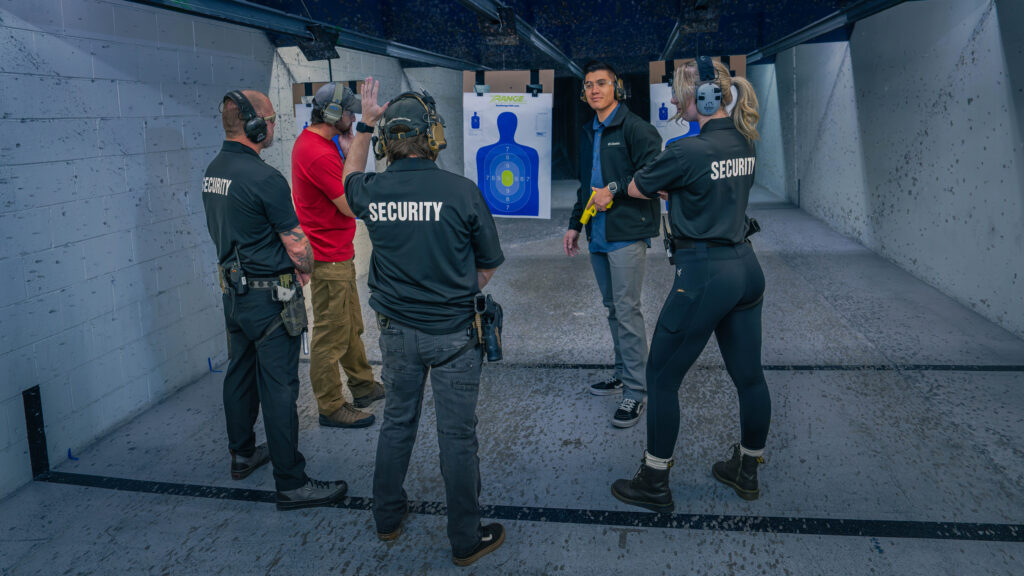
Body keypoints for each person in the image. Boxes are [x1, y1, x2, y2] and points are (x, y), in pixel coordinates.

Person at [342, 79, 507, 567]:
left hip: (396, 335)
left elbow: (349, 177)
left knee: (397, 424)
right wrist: (453, 288)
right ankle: (464, 540)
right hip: (456, 335)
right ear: (432, 136)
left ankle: (387, 519)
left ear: (389, 142)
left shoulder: (373, 190)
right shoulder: (461, 191)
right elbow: (488, 265)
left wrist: (365, 122)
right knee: (457, 437)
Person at [610, 57, 770, 511]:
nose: (677, 103)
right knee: (750, 378)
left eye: (682, 93)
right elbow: (711, 188)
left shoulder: (685, 150)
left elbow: (640, 186)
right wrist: (679, 189)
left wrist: (648, 186)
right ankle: (747, 469)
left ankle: (654, 481)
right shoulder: (745, 142)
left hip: (704, 274)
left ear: (702, 97)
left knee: (660, 378)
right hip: (746, 269)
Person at [202, 89, 347, 511]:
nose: (272, 123)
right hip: (270, 300)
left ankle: (242, 454)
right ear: (252, 124)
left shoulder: (214, 170)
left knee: (240, 374)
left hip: (234, 296)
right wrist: (306, 266)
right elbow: (298, 247)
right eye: (269, 117)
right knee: (280, 388)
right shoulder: (265, 178)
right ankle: (292, 482)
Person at [563, 61, 662, 428]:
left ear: (616, 87)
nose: (594, 90)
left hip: (626, 232)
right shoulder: (590, 130)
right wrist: (575, 225)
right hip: (597, 234)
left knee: (627, 309)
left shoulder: (636, 128)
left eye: (601, 83)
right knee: (612, 308)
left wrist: (615, 191)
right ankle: (623, 373)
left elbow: (654, 174)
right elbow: (586, 185)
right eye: (588, 85)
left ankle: (635, 393)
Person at [291, 83, 384, 429]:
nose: (354, 116)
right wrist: (353, 159)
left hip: (337, 254)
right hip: (329, 258)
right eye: (350, 112)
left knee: (350, 328)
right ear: (334, 115)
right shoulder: (318, 152)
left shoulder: (318, 144)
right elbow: (350, 204)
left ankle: (362, 386)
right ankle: (331, 406)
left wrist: (347, 155)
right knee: (330, 338)